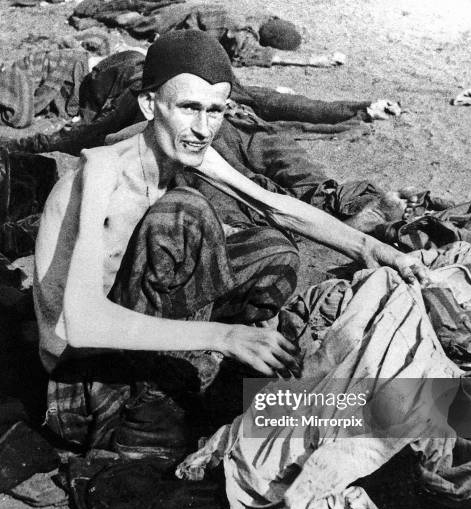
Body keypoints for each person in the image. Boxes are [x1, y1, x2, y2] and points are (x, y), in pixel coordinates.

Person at [34, 30, 427, 455]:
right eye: (188, 108)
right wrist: (225, 336)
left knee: (272, 250)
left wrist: (378, 252)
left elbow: (279, 207)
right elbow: (81, 322)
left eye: (215, 111)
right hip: (81, 381)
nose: (203, 128)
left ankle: (205, 381)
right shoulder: (101, 176)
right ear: (150, 104)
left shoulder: (188, 149)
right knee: (184, 214)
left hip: (131, 329)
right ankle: (167, 403)